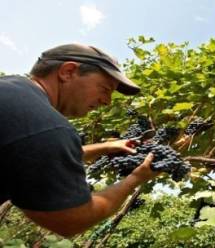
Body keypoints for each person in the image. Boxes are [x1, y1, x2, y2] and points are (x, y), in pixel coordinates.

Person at [0, 44, 159, 237]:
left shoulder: (13, 90)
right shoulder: (48, 127)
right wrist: (135, 179)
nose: (108, 101)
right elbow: (71, 221)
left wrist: (108, 146)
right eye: (105, 88)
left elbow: (36, 156)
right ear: (68, 72)